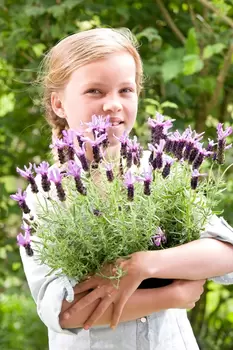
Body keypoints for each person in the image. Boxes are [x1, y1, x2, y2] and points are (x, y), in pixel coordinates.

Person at [20, 28, 233, 350]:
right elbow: (63, 312)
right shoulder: (45, 194)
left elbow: (225, 253)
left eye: (125, 90)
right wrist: (171, 294)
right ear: (59, 104)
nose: (113, 105)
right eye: (95, 91)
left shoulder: (161, 173)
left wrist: (140, 264)